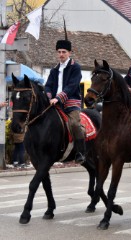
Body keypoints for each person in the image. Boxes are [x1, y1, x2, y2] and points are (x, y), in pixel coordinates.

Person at [45, 36, 85, 164]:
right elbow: (48, 85)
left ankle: (80, 152)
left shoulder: (76, 68)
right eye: (59, 52)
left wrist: (58, 97)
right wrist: (49, 96)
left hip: (71, 103)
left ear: (69, 53)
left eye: (64, 52)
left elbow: (72, 87)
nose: (61, 54)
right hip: (55, 103)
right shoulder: (54, 70)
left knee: (74, 124)